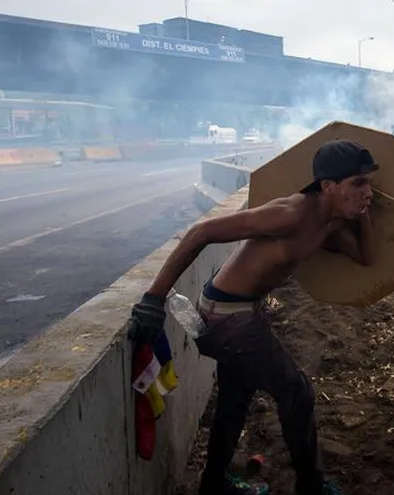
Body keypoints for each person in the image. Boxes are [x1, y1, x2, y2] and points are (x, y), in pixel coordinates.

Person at [127, 139, 379, 495]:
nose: (368, 191)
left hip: (243, 313)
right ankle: (311, 487)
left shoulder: (331, 225)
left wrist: (363, 209)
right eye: (358, 183)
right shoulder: (291, 213)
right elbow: (202, 232)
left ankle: (213, 485)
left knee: (235, 396)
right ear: (328, 186)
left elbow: (367, 257)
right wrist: (153, 299)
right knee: (297, 392)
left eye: (369, 183)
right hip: (225, 315)